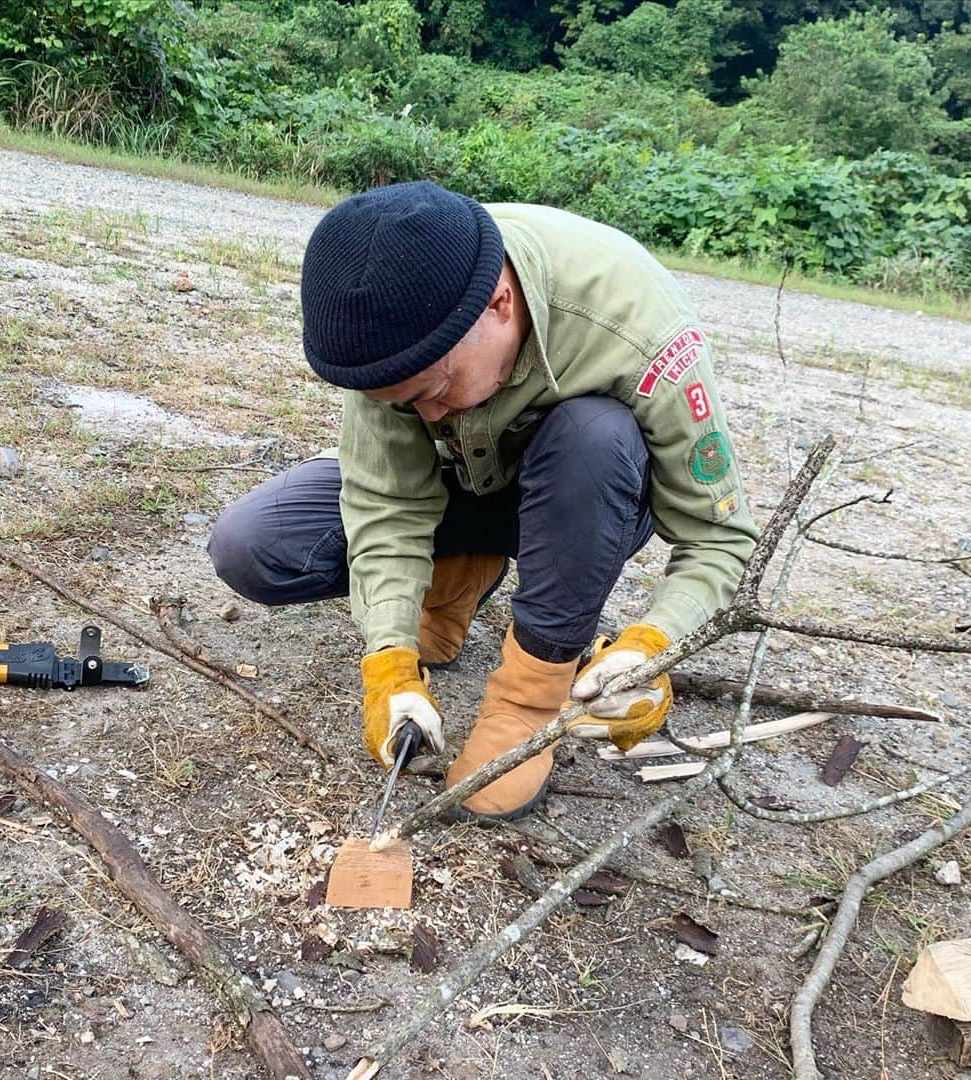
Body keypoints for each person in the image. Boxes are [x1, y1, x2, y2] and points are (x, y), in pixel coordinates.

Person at [209, 180, 758, 820]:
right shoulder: (398, 323)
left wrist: (650, 645)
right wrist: (389, 659)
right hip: (464, 488)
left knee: (594, 436)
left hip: (587, 498)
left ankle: (527, 700)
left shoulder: (638, 331)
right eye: (402, 401)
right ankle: (462, 571)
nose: (426, 412)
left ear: (499, 304)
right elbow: (387, 505)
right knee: (254, 544)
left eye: (435, 389)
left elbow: (718, 535)